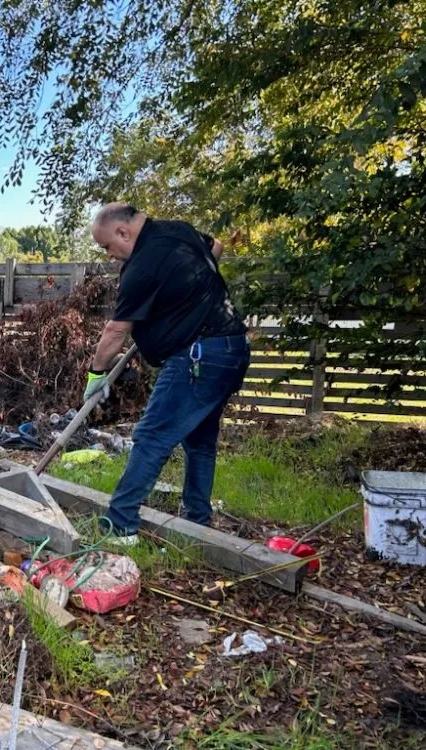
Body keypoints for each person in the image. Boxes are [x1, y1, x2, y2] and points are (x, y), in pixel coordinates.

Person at [84, 203, 250, 545]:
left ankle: (120, 526)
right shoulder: (180, 230)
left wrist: (95, 374)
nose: (110, 256)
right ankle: (197, 522)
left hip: (198, 357)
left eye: (107, 247)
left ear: (122, 232)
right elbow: (215, 247)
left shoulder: (141, 266)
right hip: (231, 349)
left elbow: (116, 331)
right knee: (200, 442)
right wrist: (185, 295)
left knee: (151, 437)